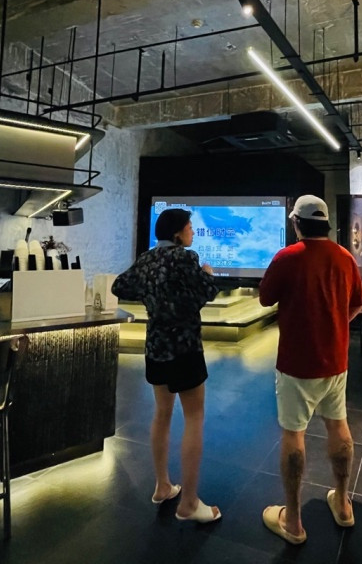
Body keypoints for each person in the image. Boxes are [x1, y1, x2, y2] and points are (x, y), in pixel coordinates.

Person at [258, 194, 362, 545]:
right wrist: (336, 325)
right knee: (338, 425)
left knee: (294, 434)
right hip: (335, 362)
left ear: (296, 223)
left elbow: (265, 298)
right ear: (326, 224)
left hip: (296, 363)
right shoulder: (345, 257)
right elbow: (359, 303)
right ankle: (344, 504)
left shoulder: (287, 257)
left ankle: (293, 521)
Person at [112, 208, 221, 523]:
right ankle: (189, 503)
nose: (193, 232)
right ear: (177, 234)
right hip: (185, 349)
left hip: (156, 348)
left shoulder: (146, 259)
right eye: (189, 227)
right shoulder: (186, 259)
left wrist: (152, 295)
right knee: (194, 417)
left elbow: (120, 286)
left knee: (162, 414)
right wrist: (208, 273)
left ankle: (162, 486)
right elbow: (207, 292)